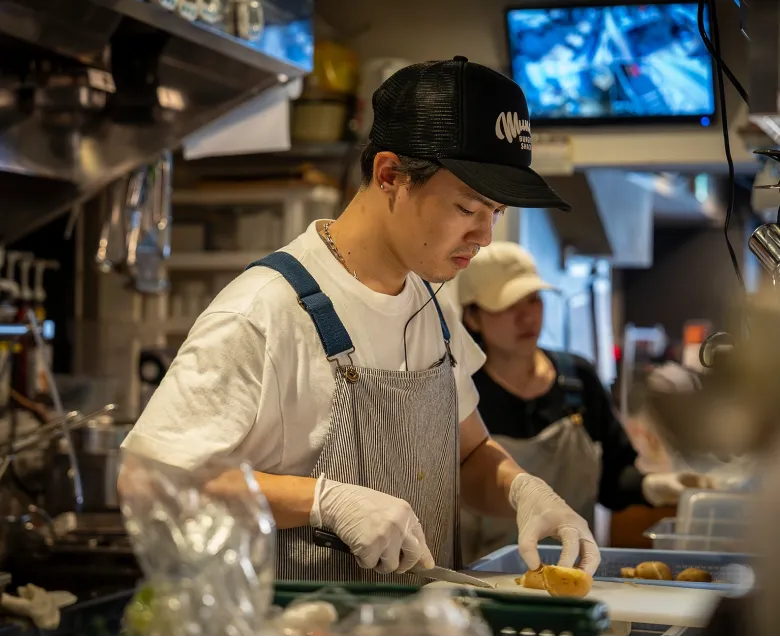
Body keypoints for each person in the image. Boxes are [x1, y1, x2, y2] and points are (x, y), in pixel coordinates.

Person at [119, 56, 601, 583]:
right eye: (468, 209)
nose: (485, 236)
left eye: (496, 214)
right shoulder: (265, 311)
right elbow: (149, 480)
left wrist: (522, 489)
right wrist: (320, 500)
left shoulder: (431, 311)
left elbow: (469, 455)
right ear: (390, 175)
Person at [457, 242, 709, 562]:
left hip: (577, 573)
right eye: (507, 305)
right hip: (484, 579)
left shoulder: (577, 378)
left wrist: (654, 486)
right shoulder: (463, 393)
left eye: (533, 300)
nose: (527, 317)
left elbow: (612, 480)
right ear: (473, 317)